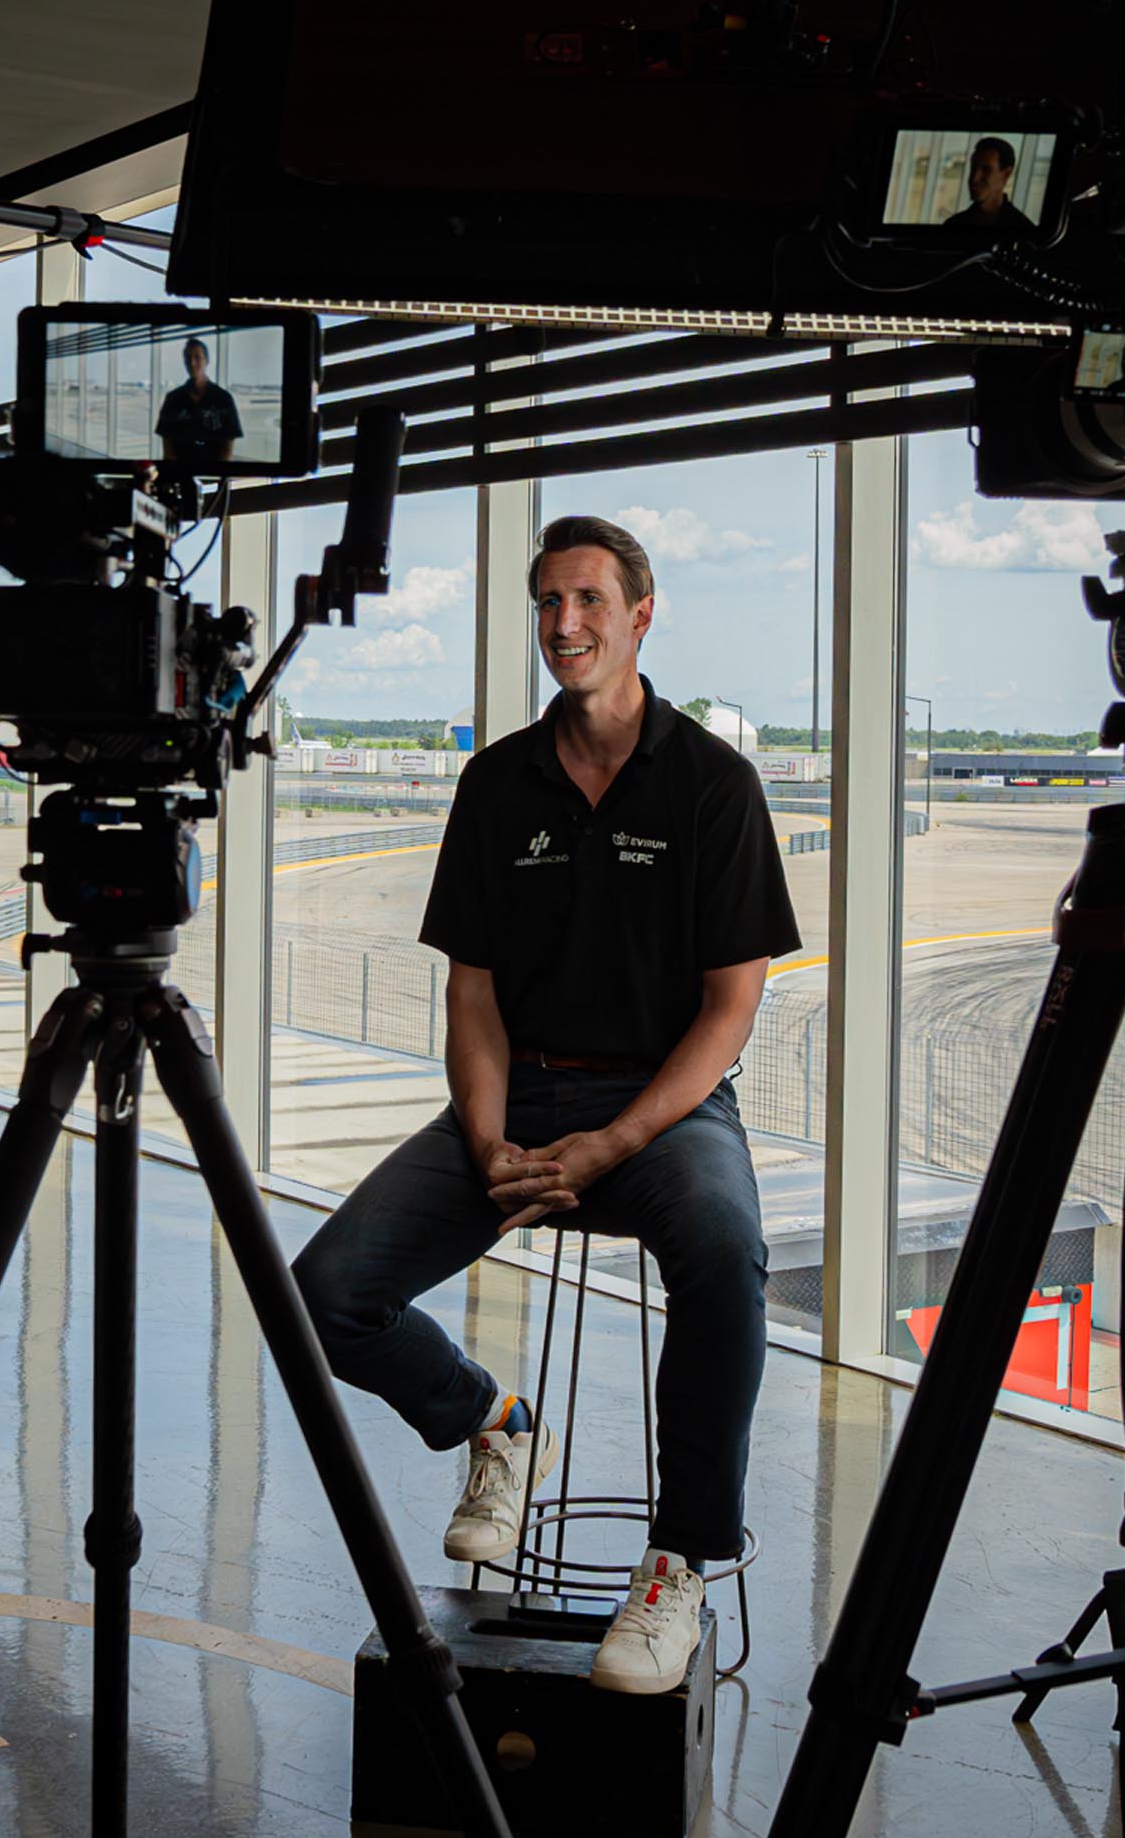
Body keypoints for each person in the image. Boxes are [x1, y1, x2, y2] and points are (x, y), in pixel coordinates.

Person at [292, 515, 799, 1696]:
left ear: (640, 613)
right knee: (323, 1291)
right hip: (516, 1096)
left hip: (663, 1109)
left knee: (727, 1256)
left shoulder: (714, 785)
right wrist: (486, 1139)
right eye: (546, 603)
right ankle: (495, 1421)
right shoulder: (494, 780)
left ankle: (679, 1559)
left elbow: (730, 1010)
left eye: (586, 601)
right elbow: (470, 989)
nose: (563, 624)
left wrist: (614, 1140)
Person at [155, 336, 243, 463]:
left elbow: (227, 449)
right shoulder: (173, 399)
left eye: (197, 357)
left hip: (214, 476)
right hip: (181, 475)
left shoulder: (223, 399)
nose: (192, 363)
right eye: (188, 358)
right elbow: (168, 447)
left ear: (206, 360)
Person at [943, 135, 1036, 234]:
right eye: (973, 168)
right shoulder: (953, 225)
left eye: (986, 170)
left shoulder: (1024, 231)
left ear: (1006, 174)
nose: (974, 178)